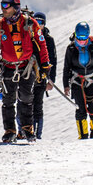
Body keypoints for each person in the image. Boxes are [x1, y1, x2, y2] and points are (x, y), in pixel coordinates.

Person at [0, 0, 50, 143]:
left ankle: (27, 129)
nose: (3, 8)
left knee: (26, 98)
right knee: (8, 100)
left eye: (6, 5)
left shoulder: (30, 23)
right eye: (2, 5)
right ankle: (10, 131)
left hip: (26, 66)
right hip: (8, 67)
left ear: (16, 7)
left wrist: (45, 64)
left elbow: (42, 44)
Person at [62, 21, 93, 139]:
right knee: (80, 110)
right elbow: (66, 68)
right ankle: (83, 136)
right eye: (79, 38)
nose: (82, 41)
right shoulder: (71, 49)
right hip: (77, 81)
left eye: (84, 38)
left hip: (92, 81)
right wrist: (66, 85)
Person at [26, 11, 58, 139]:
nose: (39, 25)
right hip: (28, 73)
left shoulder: (48, 40)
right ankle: (27, 131)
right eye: (36, 22)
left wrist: (51, 80)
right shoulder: (28, 37)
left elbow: (53, 60)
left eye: (41, 23)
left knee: (38, 104)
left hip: (42, 75)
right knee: (27, 103)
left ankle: (37, 135)